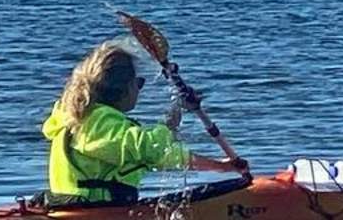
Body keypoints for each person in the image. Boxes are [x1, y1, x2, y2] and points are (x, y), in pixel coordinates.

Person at [42, 41, 243, 201]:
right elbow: (151, 148)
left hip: (90, 207)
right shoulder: (96, 122)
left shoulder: (79, 117)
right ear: (124, 88)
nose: (139, 89)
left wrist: (220, 166)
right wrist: (170, 125)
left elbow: (160, 156)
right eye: (139, 83)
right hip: (95, 211)